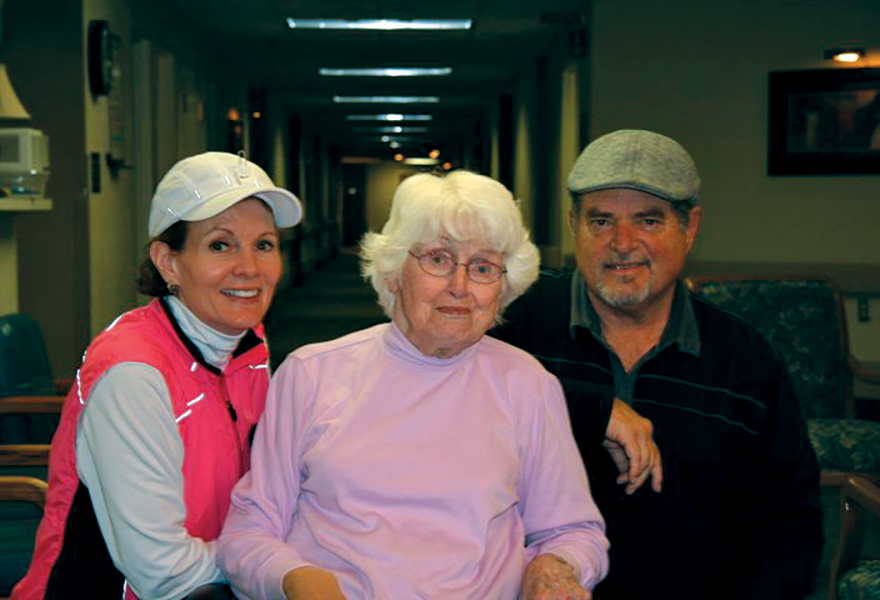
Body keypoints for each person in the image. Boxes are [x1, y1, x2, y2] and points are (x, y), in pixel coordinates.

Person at [215, 170, 609, 599]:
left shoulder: (527, 384)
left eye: (483, 267)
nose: (459, 287)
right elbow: (248, 531)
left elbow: (574, 531)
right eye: (438, 259)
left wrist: (555, 566)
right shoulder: (311, 374)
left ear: (504, 285)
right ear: (393, 273)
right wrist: (294, 580)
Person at [493, 129, 824, 599]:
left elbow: (788, 526)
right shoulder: (514, 323)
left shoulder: (745, 361)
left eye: (648, 221)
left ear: (689, 228)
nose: (622, 243)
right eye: (600, 222)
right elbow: (447, 404)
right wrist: (592, 409)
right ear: (572, 225)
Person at [12, 152, 303, 600]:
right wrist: (273, 566)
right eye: (220, 245)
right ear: (168, 262)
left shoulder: (248, 344)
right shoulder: (134, 375)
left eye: (264, 244)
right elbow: (164, 574)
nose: (250, 268)